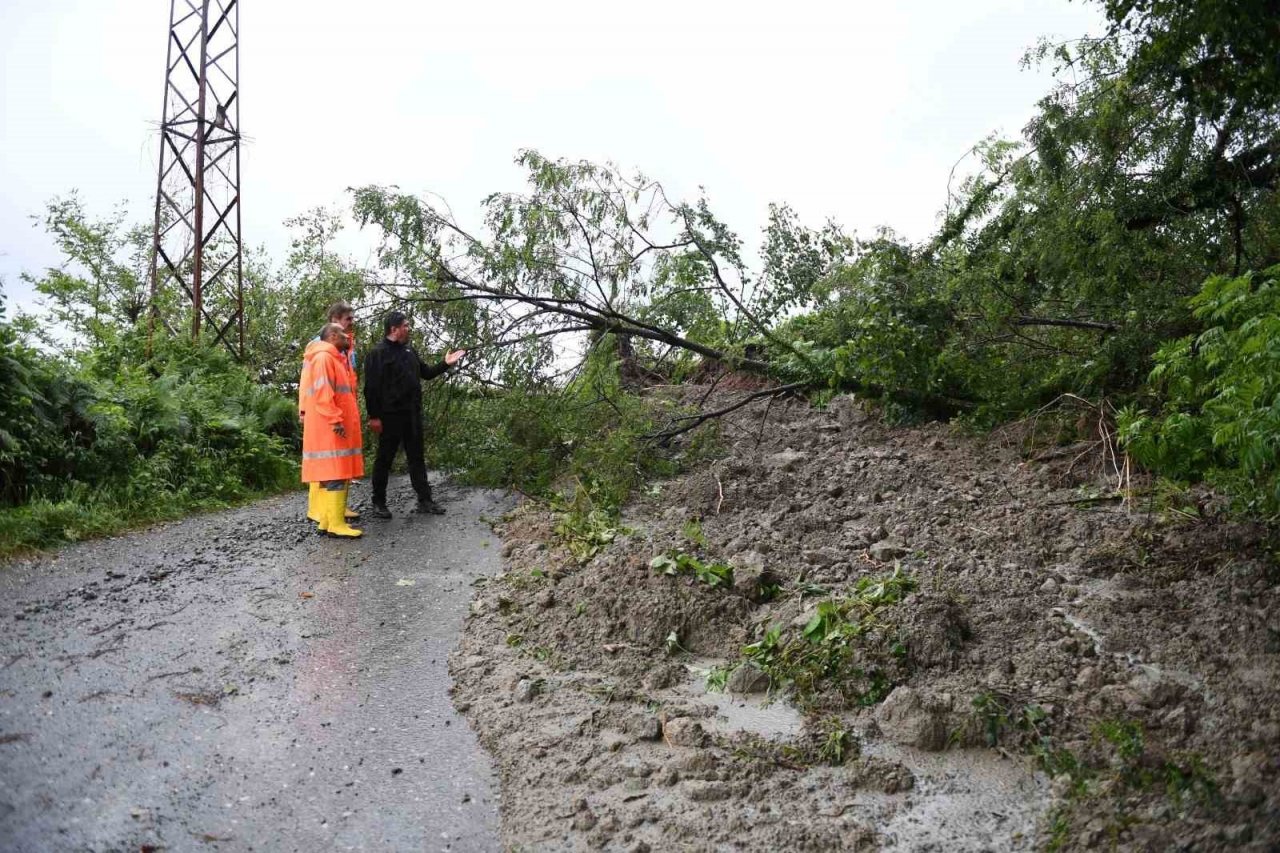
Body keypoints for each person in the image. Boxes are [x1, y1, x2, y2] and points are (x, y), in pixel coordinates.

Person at [363, 311, 465, 518]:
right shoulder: (378, 353)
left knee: (416, 458)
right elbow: (371, 388)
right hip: (389, 416)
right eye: (406, 326)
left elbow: (426, 374)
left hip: (412, 415)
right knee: (385, 459)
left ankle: (425, 500)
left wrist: (446, 363)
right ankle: (378, 503)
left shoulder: (410, 351)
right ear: (394, 329)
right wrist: (374, 417)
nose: (409, 329)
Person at [300, 323, 364, 538]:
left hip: (330, 425)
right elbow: (323, 393)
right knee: (335, 473)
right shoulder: (325, 358)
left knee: (333, 474)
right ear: (333, 335)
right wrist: (336, 421)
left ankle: (327, 522)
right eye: (344, 334)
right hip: (330, 427)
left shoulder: (331, 358)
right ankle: (336, 524)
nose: (348, 337)